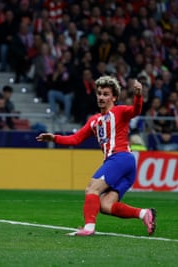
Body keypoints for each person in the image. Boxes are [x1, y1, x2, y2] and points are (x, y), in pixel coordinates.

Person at [36, 76, 156, 236]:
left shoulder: (119, 111)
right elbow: (75, 138)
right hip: (124, 165)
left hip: (120, 158)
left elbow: (136, 110)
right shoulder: (94, 121)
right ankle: (143, 214)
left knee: (92, 188)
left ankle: (89, 228)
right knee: (105, 205)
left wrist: (138, 95)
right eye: (99, 93)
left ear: (114, 97)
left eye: (106, 94)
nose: (101, 97)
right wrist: (54, 138)